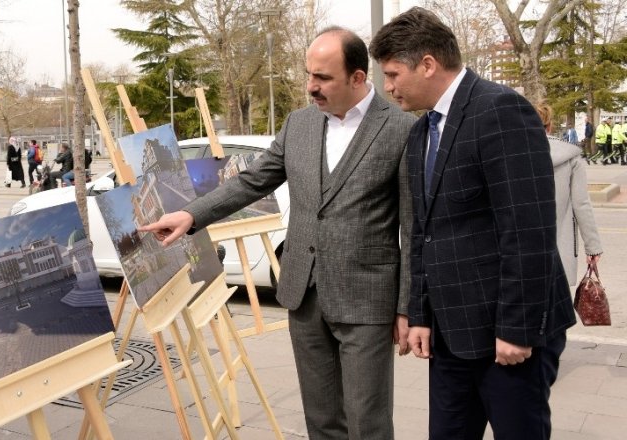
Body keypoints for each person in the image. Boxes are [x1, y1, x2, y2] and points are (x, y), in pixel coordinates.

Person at [141, 26, 416, 439]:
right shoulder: (299, 125)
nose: (311, 87)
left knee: (368, 423)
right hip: (303, 293)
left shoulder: (402, 130)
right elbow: (251, 182)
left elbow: (414, 228)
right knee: (321, 420)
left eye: (322, 78)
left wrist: (408, 306)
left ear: (358, 78)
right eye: (309, 75)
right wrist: (191, 216)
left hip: (367, 300)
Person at [369, 7, 575, 439]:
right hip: (449, 335)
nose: (387, 89)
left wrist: (516, 330)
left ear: (427, 64)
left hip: (509, 338)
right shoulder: (422, 132)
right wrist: (420, 314)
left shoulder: (501, 111)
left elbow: (528, 231)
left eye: (391, 75)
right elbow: (423, 233)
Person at [535, 103, 603, 285]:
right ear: (550, 126)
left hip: (519, 251)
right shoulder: (570, 156)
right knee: (557, 306)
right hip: (560, 247)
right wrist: (593, 247)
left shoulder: (513, 153)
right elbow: (581, 204)